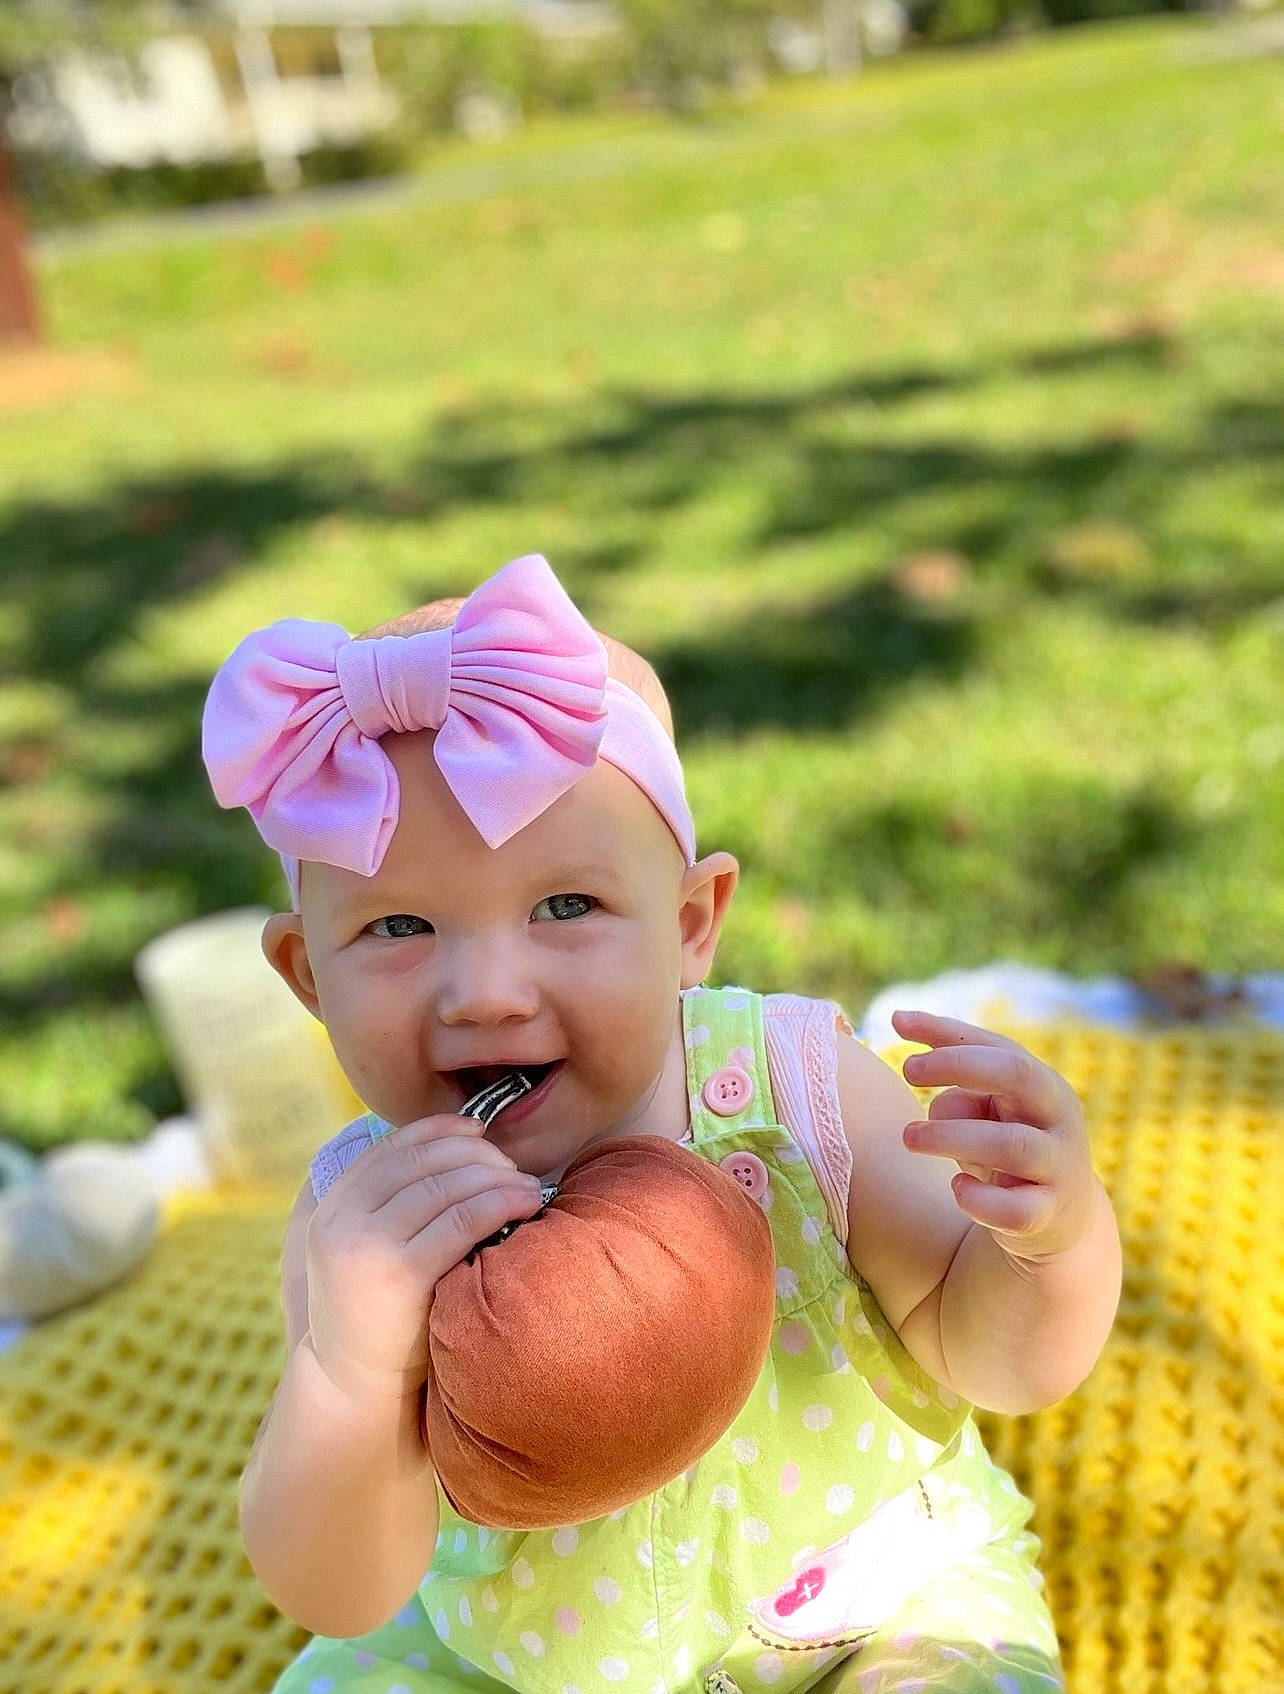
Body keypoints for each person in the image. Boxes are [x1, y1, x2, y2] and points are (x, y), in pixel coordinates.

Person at [201, 553, 1122, 1694]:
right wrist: (348, 1366)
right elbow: (345, 1589)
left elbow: (996, 1358)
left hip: (879, 1609)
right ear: (306, 976)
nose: (487, 988)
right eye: (398, 926)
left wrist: (1051, 1242)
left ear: (692, 924)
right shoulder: (365, 1223)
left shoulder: (793, 1090)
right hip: (521, 1665)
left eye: (566, 905)